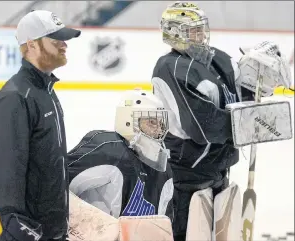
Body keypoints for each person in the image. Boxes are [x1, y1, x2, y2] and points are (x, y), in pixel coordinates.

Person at [151, 2, 292, 241]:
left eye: (201, 29)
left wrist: (259, 83)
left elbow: (240, 97)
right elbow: (203, 127)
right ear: (174, 33)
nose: (201, 35)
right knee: (187, 234)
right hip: (186, 175)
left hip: (219, 168)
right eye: (193, 30)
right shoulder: (170, 67)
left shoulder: (218, 58)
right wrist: (247, 121)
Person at [0, 10, 81, 241]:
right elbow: (5, 177)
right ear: (31, 45)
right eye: (56, 39)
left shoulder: (45, 92)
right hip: (31, 235)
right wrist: (16, 232)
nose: (64, 44)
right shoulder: (16, 98)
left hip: (53, 232)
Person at [67, 90, 174, 220]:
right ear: (128, 120)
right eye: (151, 122)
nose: (158, 130)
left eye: (160, 124)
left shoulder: (163, 168)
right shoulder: (107, 149)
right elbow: (57, 182)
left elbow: (163, 225)